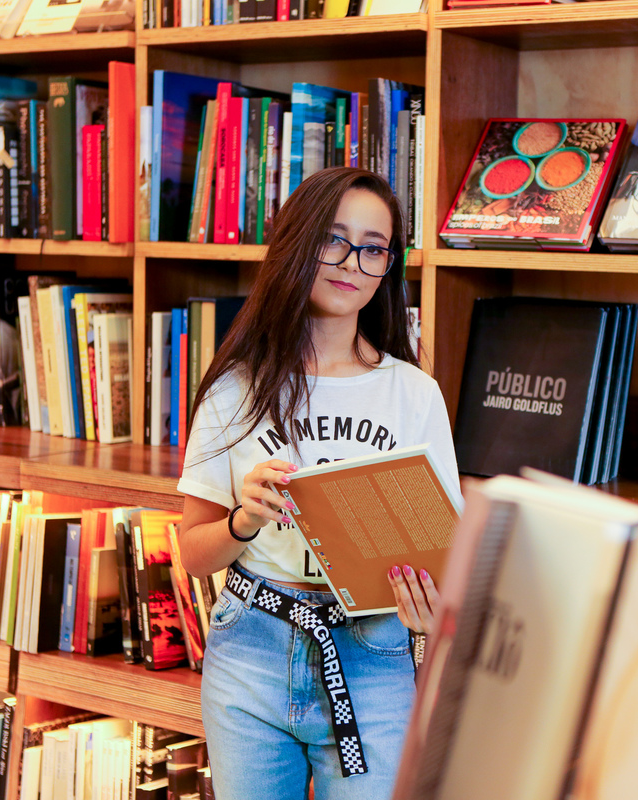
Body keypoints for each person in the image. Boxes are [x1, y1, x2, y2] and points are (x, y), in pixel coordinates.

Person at [175, 166, 462, 800]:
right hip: (251, 644)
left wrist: (430, 606)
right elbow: (193, 555)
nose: (351, 262)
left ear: (388, 266)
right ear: (298, 243)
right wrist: (240, 520)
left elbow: (448, 561)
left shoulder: (413, 393)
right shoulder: (234, 389)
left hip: (373, 652)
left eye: (373, 248)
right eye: (333, 239)